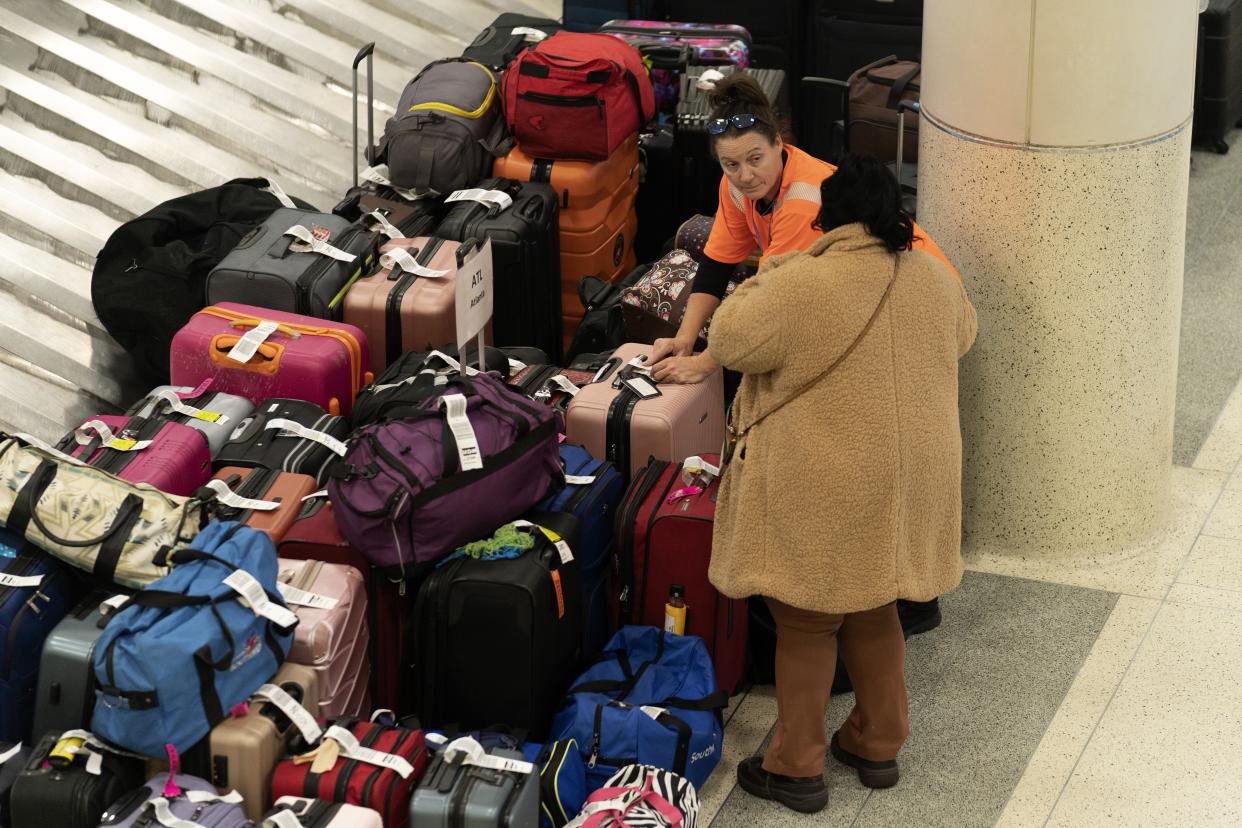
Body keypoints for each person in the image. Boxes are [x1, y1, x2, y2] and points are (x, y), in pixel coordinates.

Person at [705, 154, 977, 813]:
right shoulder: (934, 278)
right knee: (874, 603)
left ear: (831, 218)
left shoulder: (804, 283)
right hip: (912, 477)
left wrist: (777, 267)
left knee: (807, 619)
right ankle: (878, 741)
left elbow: (730, 339)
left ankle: (794, 764)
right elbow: (964, 333)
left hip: (829, 474)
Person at [648, 73, 956, 386]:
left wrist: (702, 365)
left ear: (779, 143)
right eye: (731, 164)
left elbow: (769, 305)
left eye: (756, 159)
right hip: (856, 292)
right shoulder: (734, 186)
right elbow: (716, 266)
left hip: (918, 307)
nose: (746, 175)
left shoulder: (803, 201)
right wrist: (684, 340)